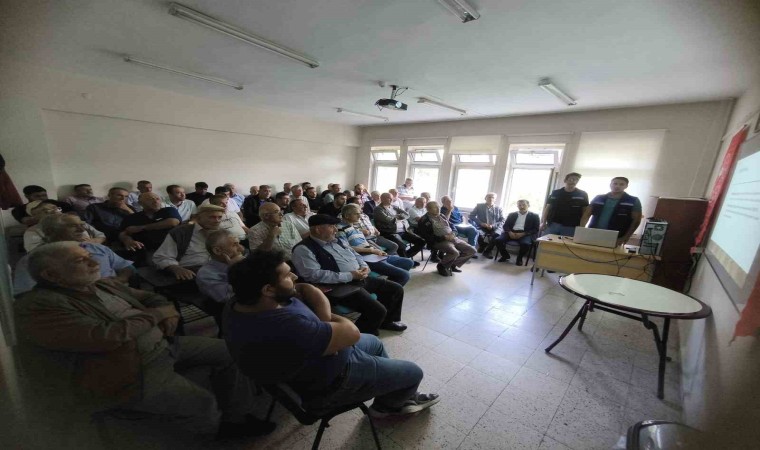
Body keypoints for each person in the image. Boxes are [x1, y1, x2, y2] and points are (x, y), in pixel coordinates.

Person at [14, 242, 275, 439]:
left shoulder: (102, 285)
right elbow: (106, 336)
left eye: (89, 255)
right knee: (202, 404)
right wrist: (158, 315)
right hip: (127, 367)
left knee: (231, 352)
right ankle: (206, 436)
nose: (93, 262)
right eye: (80, 260)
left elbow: (152, 297)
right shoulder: (40, 306)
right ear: (51, 275)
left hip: (163, 344)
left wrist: (165, 311)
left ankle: (235, 418)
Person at [224, 250, 439, 417]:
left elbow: (303, 290)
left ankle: (389, 389)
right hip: (334, 379)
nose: (295, 276)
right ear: (268, 289)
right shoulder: (286, 325)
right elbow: (351, 332)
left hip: (325, 357)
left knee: (375, 342)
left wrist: (314, 301)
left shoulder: (241, 302)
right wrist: (325, 317)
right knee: (414, 372)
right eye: (287, 275)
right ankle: (386, 408)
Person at [291, 214, 407, 334]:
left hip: (358, 277)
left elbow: (356, 255)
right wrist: (350, 275)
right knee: (377, 310)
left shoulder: (338, 240)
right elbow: (313, 275)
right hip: (337, 286)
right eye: (331, 226)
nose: (336, 229)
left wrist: (364, 266)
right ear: (317, 229)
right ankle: (360, 336)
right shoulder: (303, 249)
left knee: (395, 289)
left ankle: (386, 322)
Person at [14, 215, 134, 296]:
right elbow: (26, 294)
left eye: (82, 225)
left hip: (117, 293)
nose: (82, 230)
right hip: (76, 302)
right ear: (50, 231)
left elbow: (126, 267)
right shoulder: (36, 259)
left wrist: (120, 280)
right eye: (73, 226)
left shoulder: (97, 247)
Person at [339, 204, 414, 286]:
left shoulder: (354, 227)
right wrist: (371, 250)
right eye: (356, 214)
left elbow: (364, 243)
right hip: (364, 258)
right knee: (404, 275)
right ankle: (390, 288)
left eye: (360, 213)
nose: (359, 216)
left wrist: (377, 250)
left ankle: (390, 287)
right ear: (347, 215)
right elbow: (344, 248)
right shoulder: (340, 229)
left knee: (408, 262)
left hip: (372, 254)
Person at [153, 204, 225, 280]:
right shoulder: (180, 233)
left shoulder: (223, 234)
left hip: (218, 270)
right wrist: (176, 268)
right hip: (191, 273)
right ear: (198, 218)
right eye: (212, 217)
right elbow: (161, 257)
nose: (217, 221)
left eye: (219, 217)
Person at [416, 201, 476, 277]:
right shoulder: (424, 220)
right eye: (435, 207)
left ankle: (452, 264)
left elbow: (452, 226)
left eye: (439, 207)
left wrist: (453, 233)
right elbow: (427, 237)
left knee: (472, 250)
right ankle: (442, 266)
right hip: (438, 241)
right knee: (455, 252)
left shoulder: (442, 215)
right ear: (428, 209)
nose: (438, 209)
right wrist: (444, 237)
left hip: (452, 238)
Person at [580, 176, 643, 246]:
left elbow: (636, 221)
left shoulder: (633, 200)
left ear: (626, 186)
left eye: (621, 184)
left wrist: (626, 237)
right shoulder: (599, 198)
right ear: (610, 185)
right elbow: (586, 215)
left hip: (617, 237)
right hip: (593, 233)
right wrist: (582, 230)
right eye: (615, 183)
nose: (617, 186)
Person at [119, 193, 182, 260]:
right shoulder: (131, 218)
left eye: (157, 199)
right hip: (147, 250)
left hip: (174, 247)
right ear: (140, 203)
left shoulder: (169, 210)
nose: (155, 201)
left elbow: (173, 222)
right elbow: (123, 233)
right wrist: (128, 241)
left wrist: (141, 228)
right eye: (150, 199)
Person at [23, 200, 105, 252]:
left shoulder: (78, 222)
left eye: (55, 208)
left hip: (95, 252)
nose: (55, 211)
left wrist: (92, 241)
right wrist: (77, 244)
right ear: (35, 216)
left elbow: (101, 236)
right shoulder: (32, 231)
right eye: (46, 211)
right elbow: (37, 252)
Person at [374, 193, 425, 260]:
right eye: (389, 198)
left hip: (403, 230)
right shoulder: (378, 209)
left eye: (392, 198)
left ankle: (406, 257)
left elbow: (407, 215)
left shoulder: (394, 207)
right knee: (401, 246)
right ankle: (406, 260)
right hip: (390, 232)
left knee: (422, 241)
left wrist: (397, 217)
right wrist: (398, 216)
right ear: (382, 199)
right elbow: (388, 220)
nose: (391, 199)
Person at [540, 172, 589, 237]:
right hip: (553, 224)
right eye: (572, 179)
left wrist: (582, 227)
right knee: (545, 242)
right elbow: (548, 208)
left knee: (566, 243)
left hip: (571, 226)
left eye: (576, 180)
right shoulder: (556, 193)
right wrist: (543, 222)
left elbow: (585, 212)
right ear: (565, 180)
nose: (574, 181)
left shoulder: (582, 194)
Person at [495, 200, 540, 265]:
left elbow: (536, 229)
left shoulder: (534, 216)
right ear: (517, 206)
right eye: (519, 205)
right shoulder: (512, 214)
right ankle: (505, 255)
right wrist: (510, 232)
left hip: (525, 233)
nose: (521, 207)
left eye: (524, 205)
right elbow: (505, 225)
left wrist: (523, 234)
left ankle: (519, 258)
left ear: (528, 205)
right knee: (498, 240)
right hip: (511, 232)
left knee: (526, 244)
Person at [469, 192, 506, 259]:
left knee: (497, 235)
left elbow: (502, 220)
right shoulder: (479, 206)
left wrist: (493, 226)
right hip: (482, 226)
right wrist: (481, 223)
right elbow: (471, 216)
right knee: (477, 232)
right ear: (485, 198)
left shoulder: (499, 208)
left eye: (493, 197)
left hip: (494, 227)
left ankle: (487, 251)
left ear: (495, 199)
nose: (491, 199)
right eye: (489, 197)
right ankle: (482, 245)